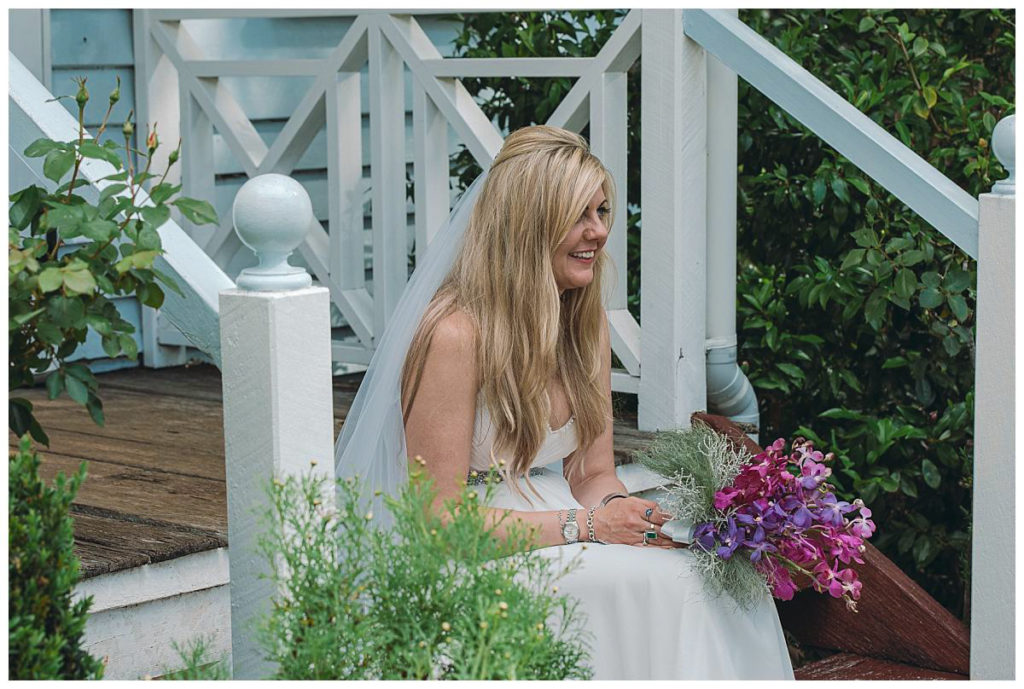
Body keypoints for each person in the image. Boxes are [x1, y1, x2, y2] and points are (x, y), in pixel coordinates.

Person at [336, 125, 794, 680]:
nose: (598, 232)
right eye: (579, 215)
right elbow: (436, 523)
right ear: (528, 226)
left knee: (706, 578)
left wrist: (651, 521)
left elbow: (595, 475)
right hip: (476, 547)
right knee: (667, 589)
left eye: (602, 212)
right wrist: (589, 527)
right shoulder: (454, 334)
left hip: (556, 508)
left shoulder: (585, 324)